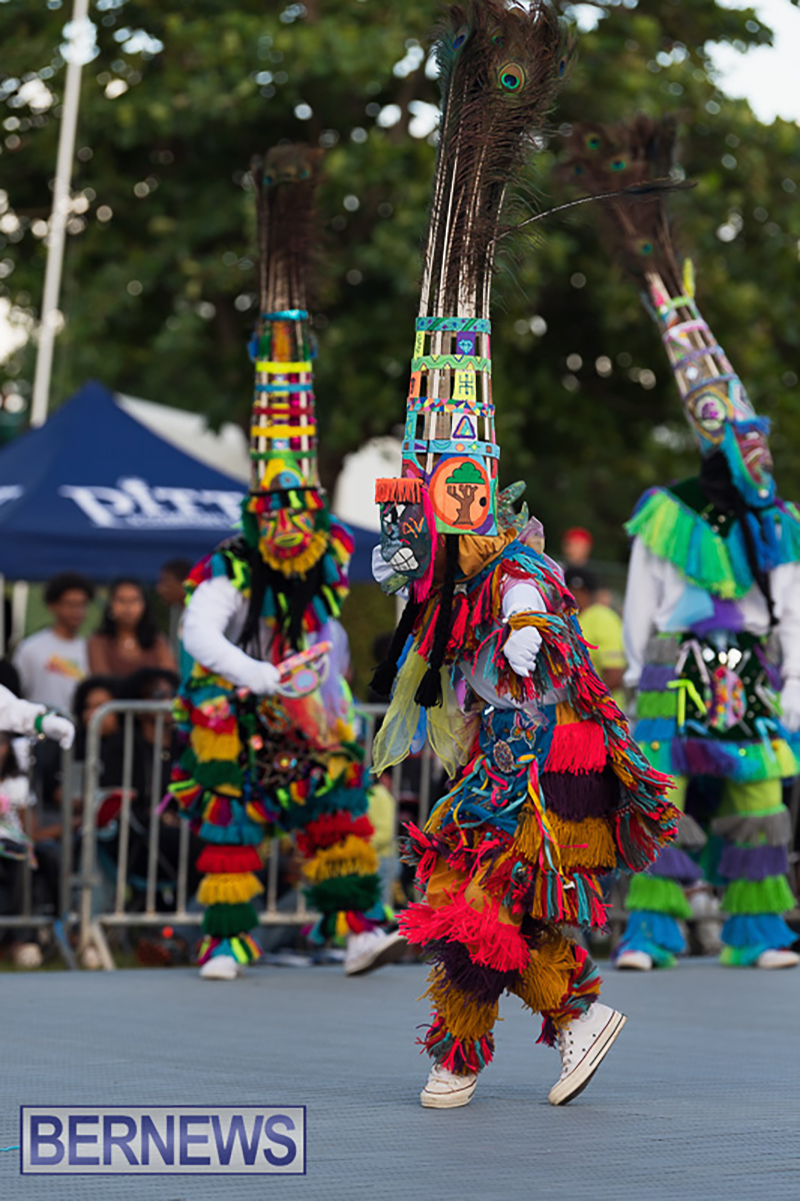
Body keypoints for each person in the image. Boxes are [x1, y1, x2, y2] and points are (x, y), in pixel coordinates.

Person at [370, 4, 679, 1111]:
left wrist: (518, 622)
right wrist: (404, 546)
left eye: (446, 490)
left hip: (538, 750)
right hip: (504, 747)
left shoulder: (513, 565)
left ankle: (518, 1033)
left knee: (476, 879)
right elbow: (400, 592)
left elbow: (526, 603)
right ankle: (527, 1030)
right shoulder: (446, 565)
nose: (436, 506)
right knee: (490, 893)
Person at [562, 116, 800, 972]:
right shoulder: (668, 510)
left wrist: (795, 690)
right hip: (673, 667)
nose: (761, 454)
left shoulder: (779, 519)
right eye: (749, 444)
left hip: (750, 667)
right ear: (721, 445)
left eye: (762, 440)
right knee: (664, 801)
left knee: (758, 799)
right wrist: (639, 673)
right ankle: (650, 932)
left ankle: (759, 930)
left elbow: (795, 611)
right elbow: (639, 603)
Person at [167, 143, 402, 983]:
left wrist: (318, 678)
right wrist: (262, 681)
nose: (297, 523)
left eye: (306, 508)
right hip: (239, 697)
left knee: (336, 805)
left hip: (302, 693)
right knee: (230, 819)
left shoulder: (324, 562)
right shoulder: (233, 565)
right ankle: (226, 935)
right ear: (260, 513)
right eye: (283, 510)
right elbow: (199, 636)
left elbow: (332, 629)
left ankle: (358, 928)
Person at [14, 572, 94, 712]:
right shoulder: (30, 648)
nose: (78, 612)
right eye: (71, 604)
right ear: (53, 606)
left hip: (77, 730)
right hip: (39, 729)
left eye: (82, 604)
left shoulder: (90, 649)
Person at [88, 578, 176, 679]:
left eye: (134, 600)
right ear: (111, 605)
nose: (128, 607)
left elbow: (168, 677)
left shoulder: (157, 641)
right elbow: (100, 677)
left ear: (144, 605)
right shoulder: (98, 641)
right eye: (121, 600)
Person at [564, 567, 626, 708]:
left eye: (579, 591)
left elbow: (615, 675)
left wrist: (583, 701)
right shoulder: (567, 619)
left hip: (601, 714)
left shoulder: (602, 618)